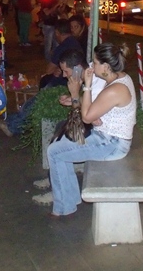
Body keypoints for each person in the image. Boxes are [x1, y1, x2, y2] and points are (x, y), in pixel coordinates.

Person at [41, 42, 137, 218]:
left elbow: (86, 117)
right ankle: (69, 201)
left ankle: (63, 207)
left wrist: (85, 87)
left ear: (106, 67)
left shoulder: (115, 89)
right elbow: (93, 111)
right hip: (107, 137)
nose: (92, 66)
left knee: (54, 152)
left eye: (96, 62)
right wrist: (83, 103)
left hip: (111, 144)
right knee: (60, 147)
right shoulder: (119, 78)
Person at [38, 19, 82, 89]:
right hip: (77, 76)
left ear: (57, 32)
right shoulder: (75, 42)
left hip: (66, 81)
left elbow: (49, 70)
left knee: (44, 81)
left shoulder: (62, 47)